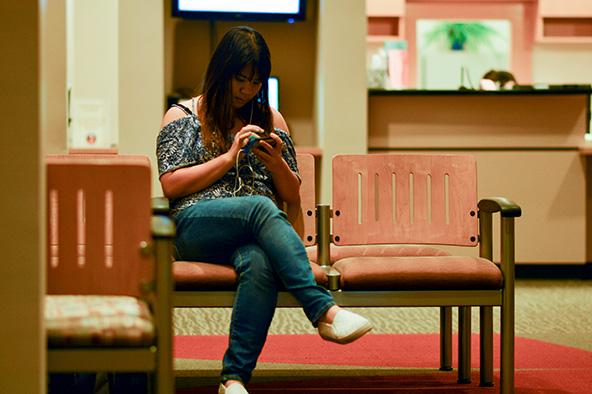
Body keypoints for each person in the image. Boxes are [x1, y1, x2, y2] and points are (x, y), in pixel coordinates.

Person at [156, 26, 373, 394]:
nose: (247, 90)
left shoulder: (272, 120)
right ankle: (323, 310)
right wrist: (228, 158)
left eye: (256, 82)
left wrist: (276, 164)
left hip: (254, 231)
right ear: (222, 73)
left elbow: (291, 194)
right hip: (195, 223)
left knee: (258, 264)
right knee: (258, 207)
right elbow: (171, 184)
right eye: (240, 80)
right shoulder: (182, 115)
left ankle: (234, 379)